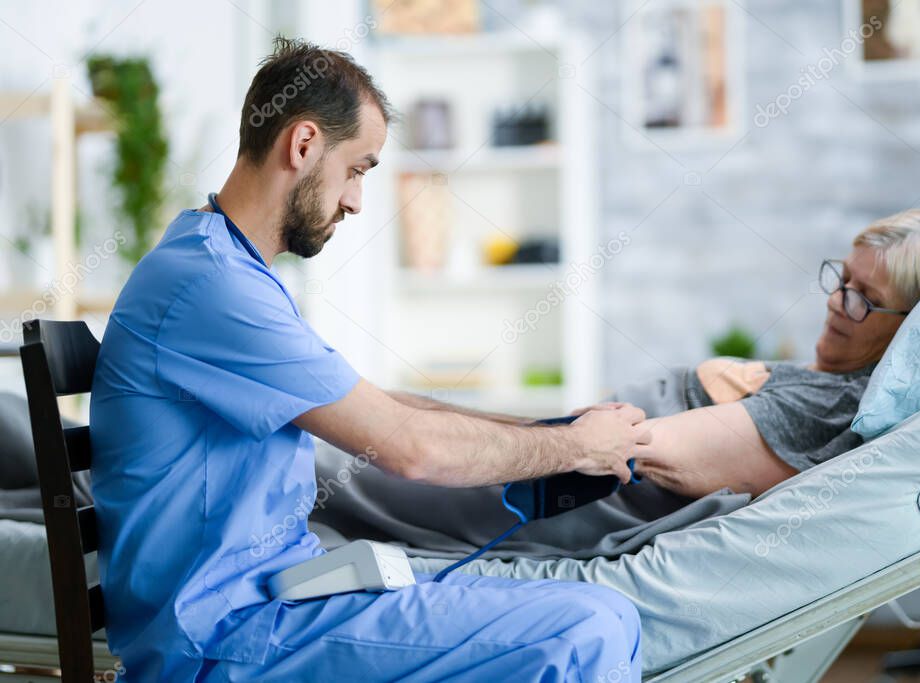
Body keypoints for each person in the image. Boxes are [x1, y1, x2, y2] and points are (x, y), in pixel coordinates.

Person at [89, 38, 649, 682]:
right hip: (226, 638)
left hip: (275, 601)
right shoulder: (212, 287)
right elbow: (411, 449)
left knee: (599, 615)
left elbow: (380, 406)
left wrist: (546, 431)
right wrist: (575, 450)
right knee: (588, 626)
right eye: (357, 169)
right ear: (302, 146)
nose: (356, 201)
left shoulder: (222, 264)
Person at [610, 209, 920, 498]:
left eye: (865, 300)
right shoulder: (830, 379)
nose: (836, 303)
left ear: (912, 330)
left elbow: (638, 448)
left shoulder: (832, 405)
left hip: (591, 472)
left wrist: (562, 443)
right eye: (842, 280)